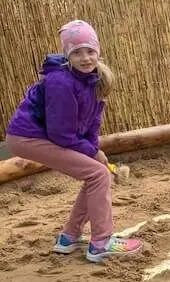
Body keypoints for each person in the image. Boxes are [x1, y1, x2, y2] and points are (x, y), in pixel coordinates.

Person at [5, 20, 142, 262]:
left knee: (98, 173)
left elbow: (91, 123)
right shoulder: (61, 81)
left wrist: (95, 150)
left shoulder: (95, 78)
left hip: (44, 135)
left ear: (98, 51)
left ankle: (69, 237)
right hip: (28, 136)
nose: (85, 58)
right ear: (68, 55)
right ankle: (101, 243)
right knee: (99, 175)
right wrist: (90, 151)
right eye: (77, 52)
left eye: (90, 51)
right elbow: (61, 133)